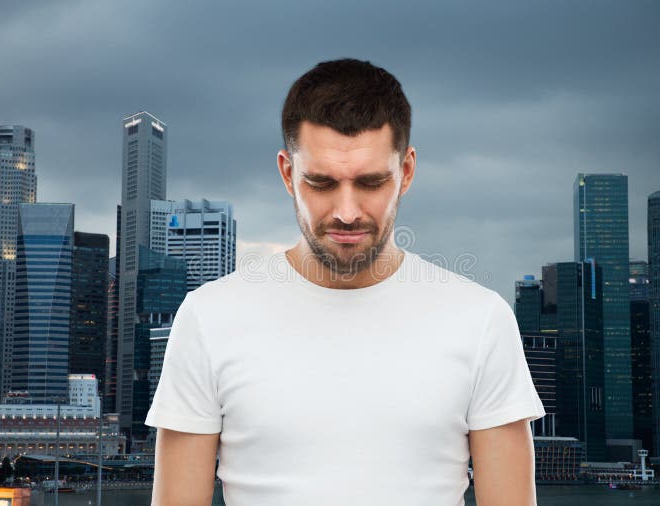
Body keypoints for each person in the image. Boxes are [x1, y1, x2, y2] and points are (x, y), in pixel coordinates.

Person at [145, 58, 545, 506]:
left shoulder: (481, 320)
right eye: (321, 182)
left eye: (371, 182)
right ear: (287, 174)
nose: (347, 211)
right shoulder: (208, 318)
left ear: (407, 172)